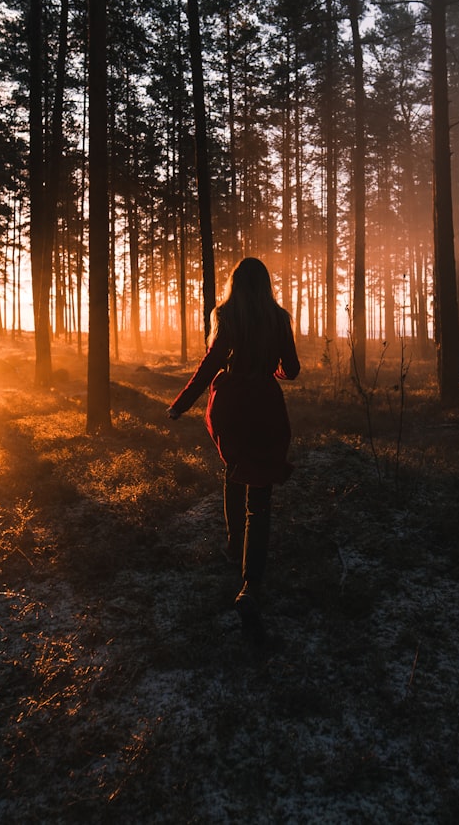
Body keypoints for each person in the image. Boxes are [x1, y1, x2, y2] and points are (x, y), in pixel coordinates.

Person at [168, 257, 300, 641]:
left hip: (231, 408)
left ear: (234, 285)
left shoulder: (226, 316)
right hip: (265, 408)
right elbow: (290, 370)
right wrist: (270, 367)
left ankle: (232, 545)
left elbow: (209, 365)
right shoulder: (279, 319)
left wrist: (180, 404)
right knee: (259, 497)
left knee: (236, 468)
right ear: (266, 285)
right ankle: (250, 585)